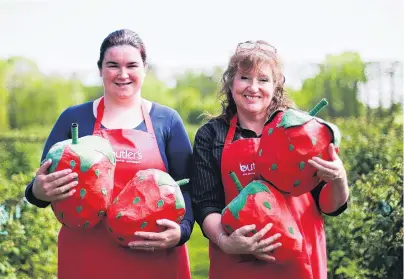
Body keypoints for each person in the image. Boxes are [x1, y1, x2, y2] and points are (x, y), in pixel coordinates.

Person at [25, 29, 194, 279]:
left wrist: (182, 231)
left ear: (145, 69)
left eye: (132, 65)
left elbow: (189, 185)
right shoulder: (74, 118)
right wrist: (37, 192)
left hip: (153, 253)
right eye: (113, 65)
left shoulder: (166, 120)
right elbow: (40, 185)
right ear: (100, 69)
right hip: (86, 256)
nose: (123, 74)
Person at [190, 40, 349, 279]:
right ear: (231, 82)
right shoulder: (211, 135)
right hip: (237, 261)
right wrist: (225, 241)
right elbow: (206, 203)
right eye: (245, 77)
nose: (253, 87)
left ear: (275, 87)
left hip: (300, 262)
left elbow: (329, 205)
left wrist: (339, 180)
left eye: (263, 80)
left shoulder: (302, 129)